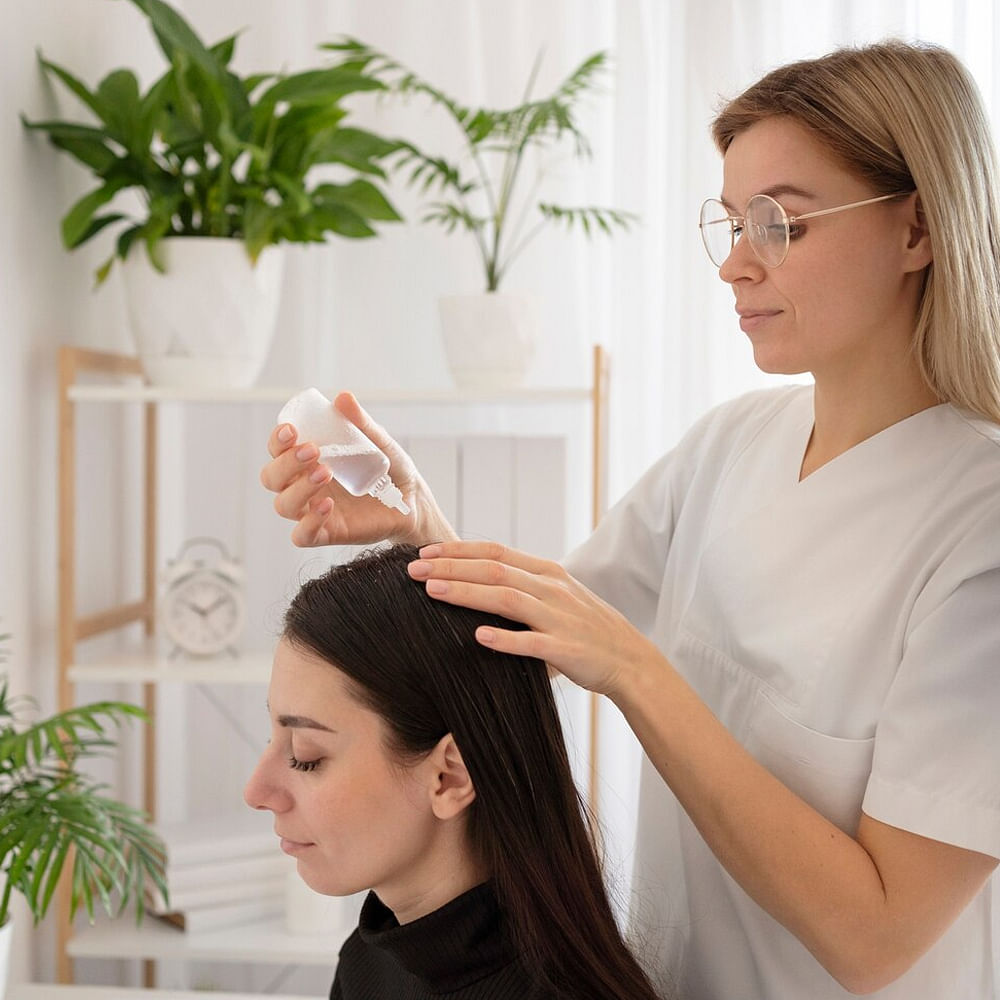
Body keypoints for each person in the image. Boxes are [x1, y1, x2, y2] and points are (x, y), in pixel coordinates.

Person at [260, 40, 1000, 999]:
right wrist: (414, 519)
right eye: (731, 223)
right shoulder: (732, 446)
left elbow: (879, 938)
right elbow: (530, 642)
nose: (736, 264)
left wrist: (639, 674)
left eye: (780, 223)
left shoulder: (976, 530)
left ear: (918, 229)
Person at [244, 543, 661, 1000]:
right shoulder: (370, 960)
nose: (257, 791)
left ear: (450, 776)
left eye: (307, 755)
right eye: (272, 739)